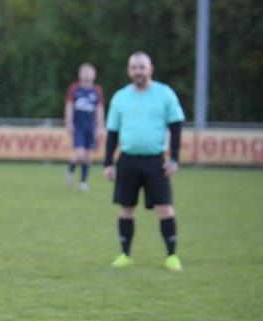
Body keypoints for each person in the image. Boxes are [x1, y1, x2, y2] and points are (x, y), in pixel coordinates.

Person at [103, 51, 184, 271]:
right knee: (126, 208)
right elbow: (112, 132)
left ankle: (171, 256)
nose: (138, 71)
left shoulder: (165, 94)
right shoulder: (120, 97)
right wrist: (107, 163)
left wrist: (174, 159)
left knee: (165, 208)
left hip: (155, 161)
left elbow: (176, 127)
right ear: (129, 71)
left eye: (142, 67)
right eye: (134, 67)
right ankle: (124, 254)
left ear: (150, 69)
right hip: (127, 160)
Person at [64, 63, 105, 191]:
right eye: (84, 72)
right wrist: (69, 123)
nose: (87, 74)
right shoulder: (74, 89)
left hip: (90, 128)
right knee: (80, 154)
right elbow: (69, 106)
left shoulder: (97, 91)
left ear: (94, 75)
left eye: (89, 72)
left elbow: (99, 109)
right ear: (80, 74)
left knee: (87, 156)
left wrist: (100, 126)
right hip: (78, 127)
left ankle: (83, 182)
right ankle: (70, 172)